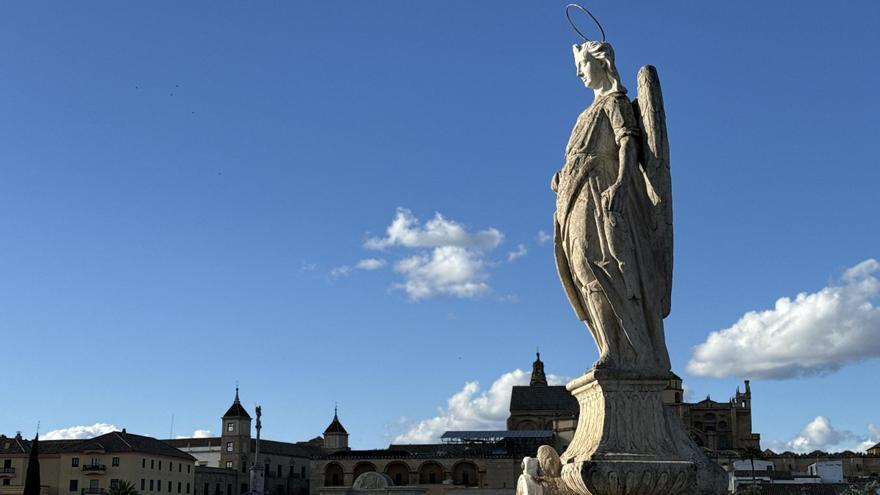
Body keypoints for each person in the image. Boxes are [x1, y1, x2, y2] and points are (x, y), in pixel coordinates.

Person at [552, 41, 671, 373]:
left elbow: (627, 142)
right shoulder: (584, 114)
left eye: (583, 65)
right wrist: (562, 176)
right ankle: (608, 346)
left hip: (601, 191)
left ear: (601, 62)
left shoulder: (615, 102)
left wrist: (621, 182)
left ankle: (627, 350)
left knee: (602, 264)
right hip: (575, 196)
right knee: (580, 267)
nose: (579, 73)